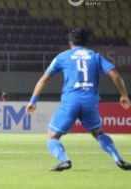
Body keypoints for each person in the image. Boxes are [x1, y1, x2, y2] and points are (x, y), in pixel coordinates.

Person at [25, 28, 131, 171]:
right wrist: (124, 95)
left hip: (70, 101)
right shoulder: (95, 56)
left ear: (70, 43)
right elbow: (115, 75)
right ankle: (119, 159)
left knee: (52, 137)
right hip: (90, 101)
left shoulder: (62, 57)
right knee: (98, 133)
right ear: (86, 43)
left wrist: (33, 101)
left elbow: (44, 80)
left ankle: (64, 160)